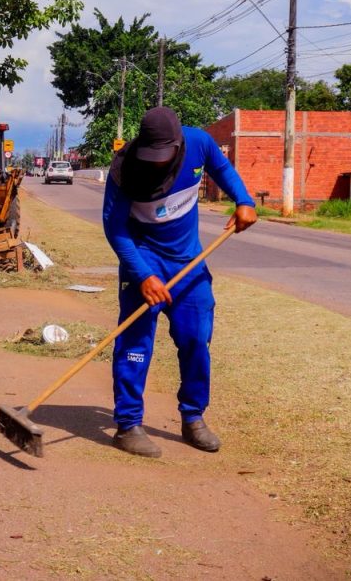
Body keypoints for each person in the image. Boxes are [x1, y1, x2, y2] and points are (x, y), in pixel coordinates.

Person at [102, 107, 257, 459]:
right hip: (144, 259)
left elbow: (222, 169)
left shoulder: (199, 142)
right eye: (150, 155)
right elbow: (115, 228)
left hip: (188, 262)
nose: (156, 163)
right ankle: (128, 425)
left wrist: (244, 200)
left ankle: (193, 417)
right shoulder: (124, 168)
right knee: (135, 343)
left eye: (163, 155)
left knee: (196, 339)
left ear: (178, 144)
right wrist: (143, 275)